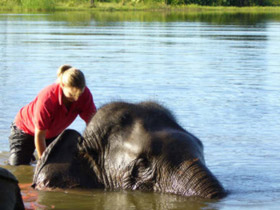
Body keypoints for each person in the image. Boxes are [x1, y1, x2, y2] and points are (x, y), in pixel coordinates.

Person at [8, 65, 97, 165]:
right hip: (25, 130)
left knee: (63, 163)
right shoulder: (47, 99)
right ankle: (28, 155)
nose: (76, 99)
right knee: (18, 167)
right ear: (62, 85)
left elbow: (93, 123)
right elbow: (40, 135)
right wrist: (44, 163)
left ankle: (32, 156)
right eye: (71, 95)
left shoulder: (85, 95)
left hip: (52, 134)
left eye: (79, 94)